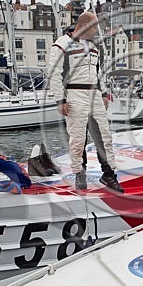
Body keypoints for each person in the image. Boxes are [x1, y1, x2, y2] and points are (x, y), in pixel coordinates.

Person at [48, 11, 123, 192]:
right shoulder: (61, 45)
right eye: (95, 26)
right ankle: (79, 174)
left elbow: (98, 73)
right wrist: (60, 100)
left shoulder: (94, 47)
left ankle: (109, 174)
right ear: (84, 26)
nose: (97, 31)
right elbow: (54, 74)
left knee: (104, 135)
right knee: (78, 138)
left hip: (94, 94)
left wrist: (103, 93)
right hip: (75, 94)